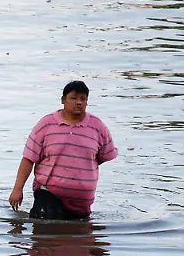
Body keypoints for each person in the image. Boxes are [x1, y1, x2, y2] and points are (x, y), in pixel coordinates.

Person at [9, 81, 118, 220]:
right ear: (63, 100)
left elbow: (103, 156)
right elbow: (29, 158)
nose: (78, 102)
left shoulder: (97, 127)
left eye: (82, 99)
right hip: (48, 192)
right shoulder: (47, 124)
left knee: (77, 238)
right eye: (73, 98)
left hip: (82, 202)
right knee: (45, 233)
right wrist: (18, 189)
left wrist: (81, 169)